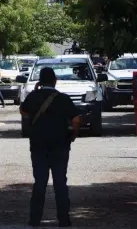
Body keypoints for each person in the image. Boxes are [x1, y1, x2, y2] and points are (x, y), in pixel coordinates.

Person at [20, 67, 81, 227]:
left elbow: (23, 111)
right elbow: (76, 119)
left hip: (38, 146)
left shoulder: (33, 96)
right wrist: (73, 135)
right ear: (55, 80)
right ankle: (64, 219)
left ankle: (35, 219)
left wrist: (34, 91)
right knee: (60, 182)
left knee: (39, 183)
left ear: (40, 81)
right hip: (60, 145)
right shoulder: (63, 99)